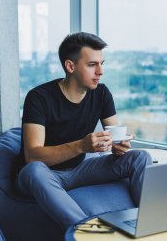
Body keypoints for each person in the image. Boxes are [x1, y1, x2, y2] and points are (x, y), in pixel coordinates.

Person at [15, 32, 152, 230]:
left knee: (140, 157)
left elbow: (114, 139)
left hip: (78, 172)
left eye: (101, 63)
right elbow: (32, 156)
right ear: (70, 66)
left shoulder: (101, 93)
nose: (100, 71)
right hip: (44, 174)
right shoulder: (39, 97)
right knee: (34, 171)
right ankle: (86, 233)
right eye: (92, 65)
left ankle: (149, 223)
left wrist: (119, 146)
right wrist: (82, 146)